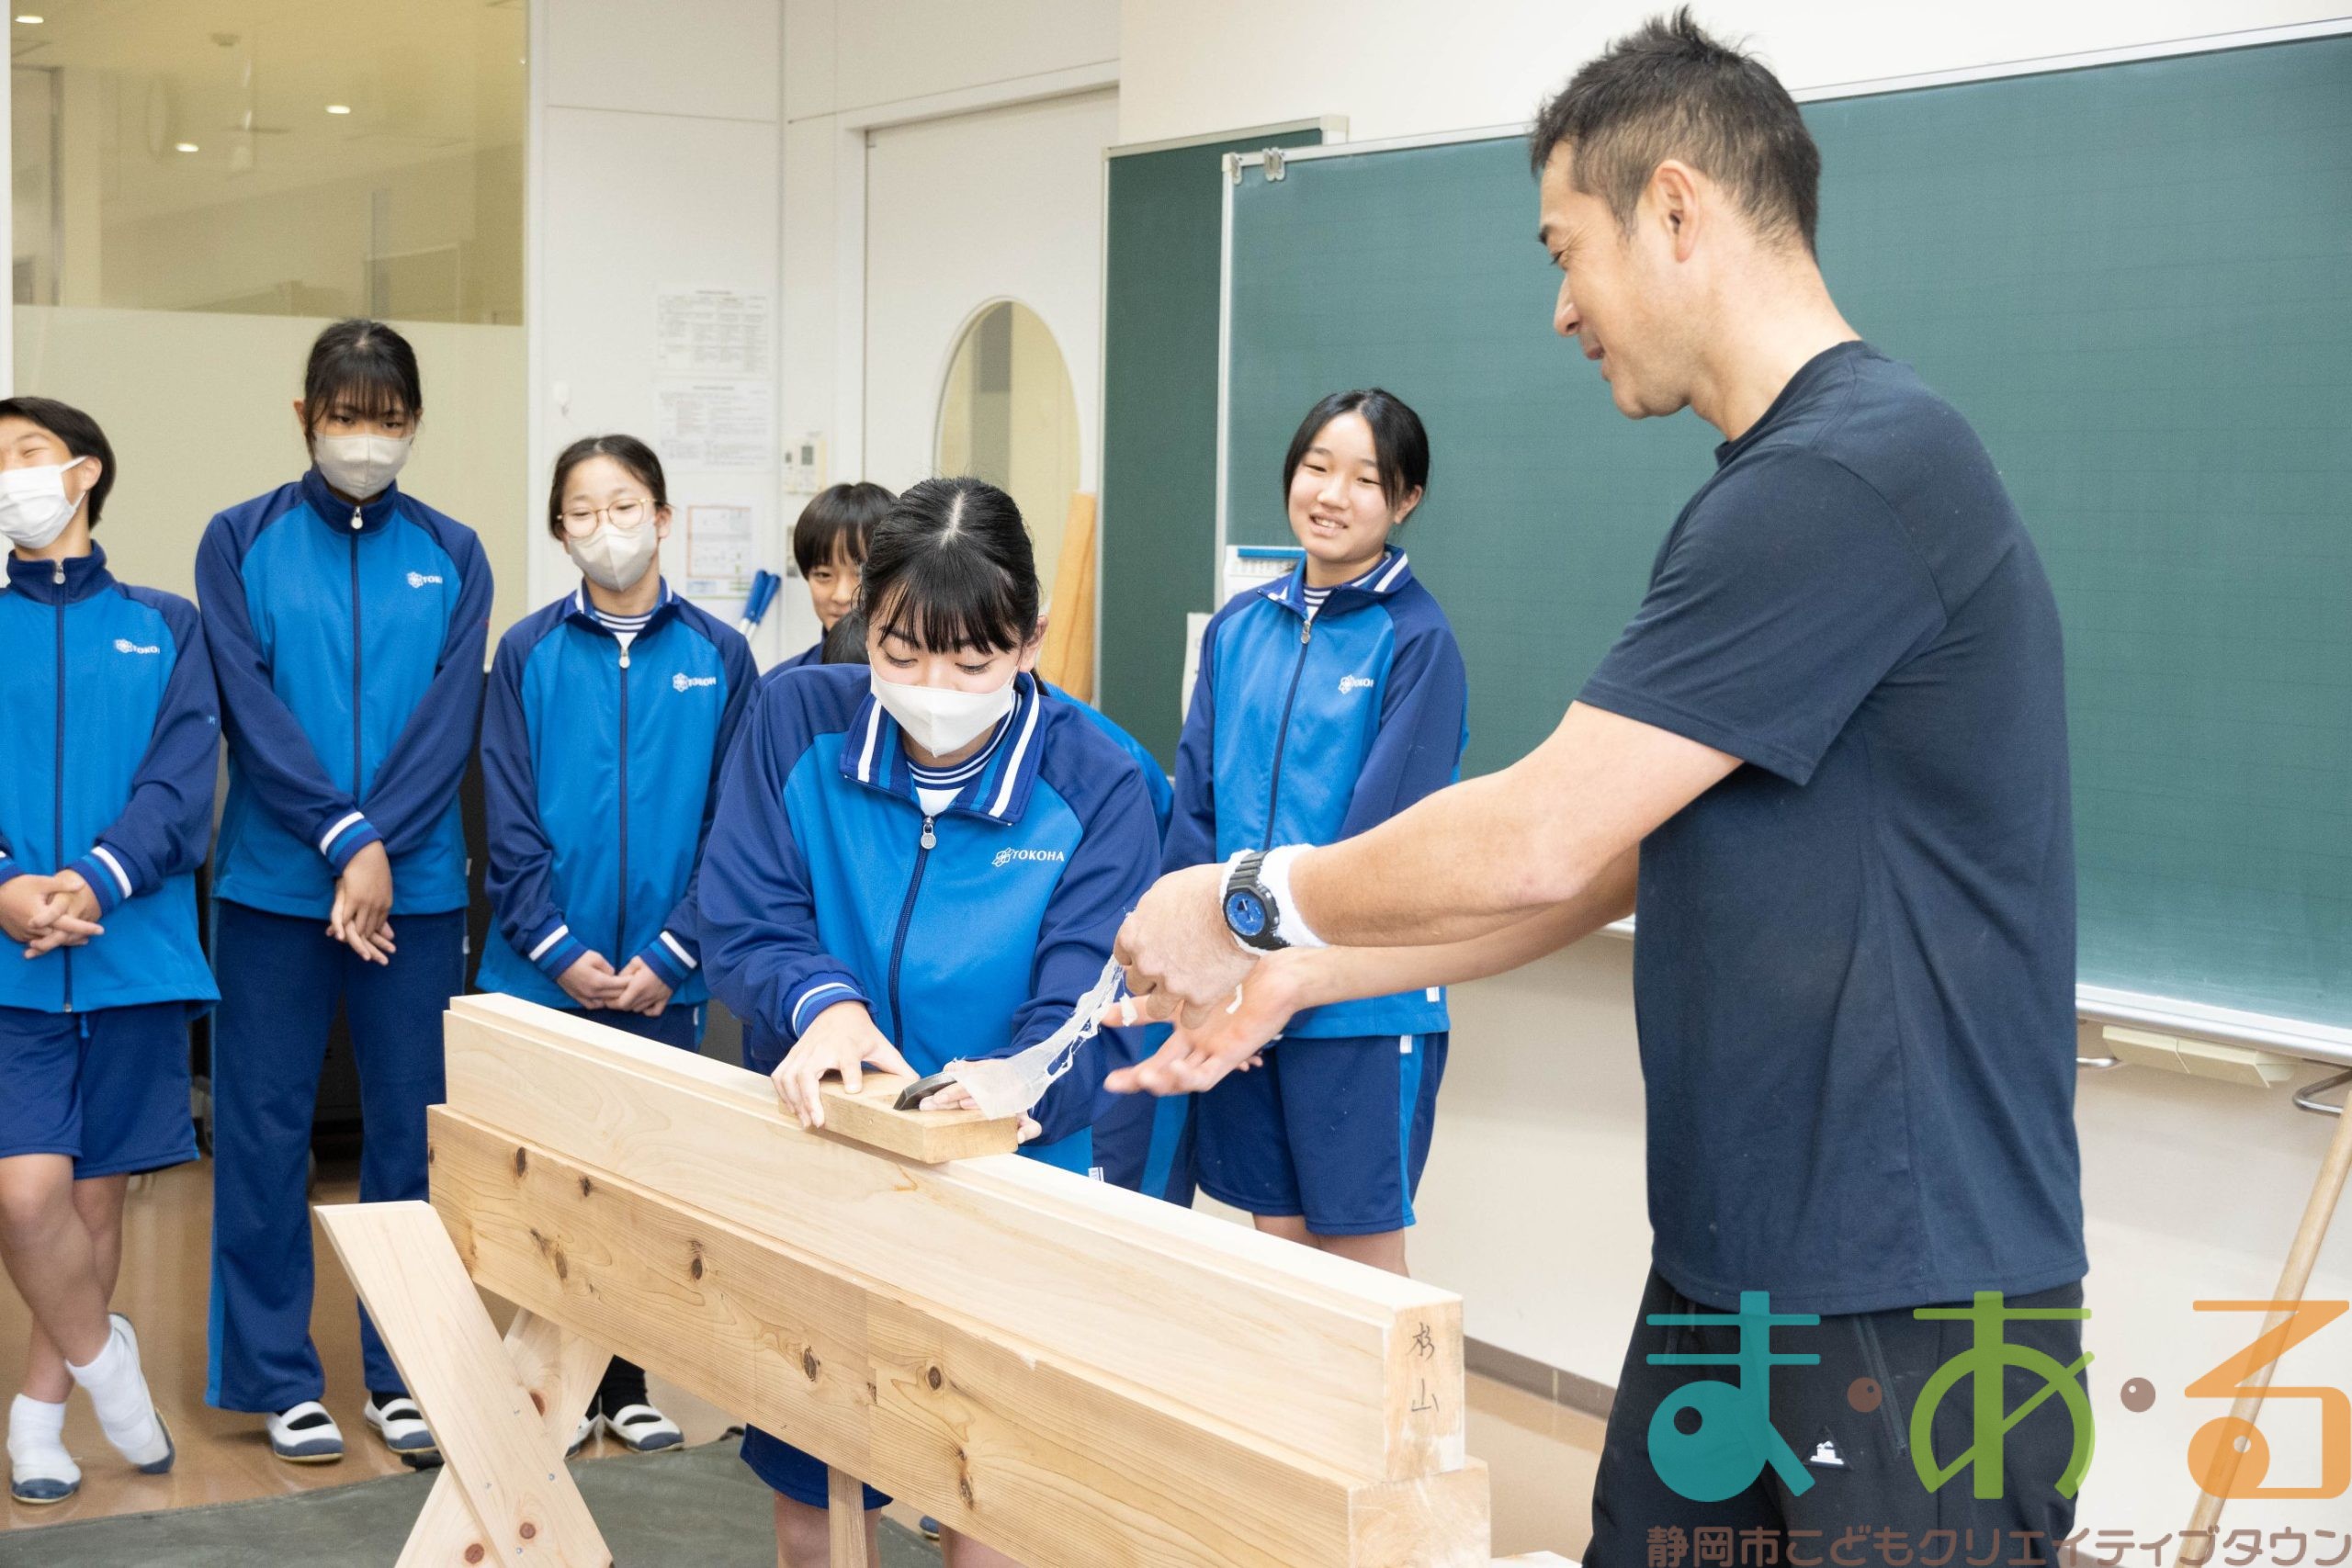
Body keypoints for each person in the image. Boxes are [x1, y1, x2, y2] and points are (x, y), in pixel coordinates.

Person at [1112, 10, 2086, 1548]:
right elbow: (1624, 853)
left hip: (1905, 1293)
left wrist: (1247, 901)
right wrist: (1312, 973)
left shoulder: (1847, 476)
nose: (1563, 308)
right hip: (1736, 1262)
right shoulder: (1782, 487)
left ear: (1676, 209)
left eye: (1569, 250)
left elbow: (1540, 829)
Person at [702, 476, 1159, 1568]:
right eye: (900, 655)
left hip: (1021, 1176)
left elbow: (1092, 1003)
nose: (932, 690)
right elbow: (745, 912)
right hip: (827, 1154)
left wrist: (1011, 1084)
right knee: (817, 1497)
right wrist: (821, 1004)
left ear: (1030, 640)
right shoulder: (794, 719)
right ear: (864, 623)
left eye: (972, 663)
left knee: (992, 1499)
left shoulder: (1101, 781)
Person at [198, 319, 492, 1467]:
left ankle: (401, 1371)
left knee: (410, 1135)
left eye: (389, 419)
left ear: (415, 425)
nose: (366, 439)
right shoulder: (240, 540)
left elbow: (447, 721)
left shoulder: (454, 552)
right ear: (304, 417)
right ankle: (278, 1377)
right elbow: (250, 709)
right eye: (346, 417)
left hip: (412, 896)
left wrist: (379, 848)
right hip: (275, 890)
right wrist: (343, 836)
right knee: (264, 1131)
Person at [477, 434, 754, 1453]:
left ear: (663, 518)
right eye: (584, 512)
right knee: (547, 1184)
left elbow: (735, 822)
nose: (608, 528)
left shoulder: (721, 656)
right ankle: (542, 1388)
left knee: (642, 1189)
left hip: (664, 978)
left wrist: (676, 952)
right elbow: (507, 815)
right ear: (560, 532)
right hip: (541, 973)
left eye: (626, 505)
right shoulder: (528, 652)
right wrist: (555, 947)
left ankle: (626, 1379)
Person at [1157, 389, 1466, 1273]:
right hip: (1238, 994)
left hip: (1356, 1005)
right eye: (1316, 468)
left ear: (1405, 499)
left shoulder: (1416, 640)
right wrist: (1201, 975)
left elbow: (1381, 849)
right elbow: (1196, 814)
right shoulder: (1237, 628)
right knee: (1285, 1263)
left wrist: (1267, 976)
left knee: (1362, 1276)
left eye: (1365, 479)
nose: (1331, 494)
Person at [0, 397, 210, 1503]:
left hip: (133, 953)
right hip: (13, 964)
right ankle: (106, 1365)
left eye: (25, 454)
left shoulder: (166, 623)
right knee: (25, 1197)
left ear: (83, 473)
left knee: (94, 1205)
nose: (8, 476)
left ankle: (39, 1420)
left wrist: (93, 877)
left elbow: (181, 782)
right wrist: (6, 888)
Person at [769, 480, 893, 674]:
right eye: (824, 575)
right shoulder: (784, 685)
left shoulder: (931, 683)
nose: (842, 596)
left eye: (862, 574)